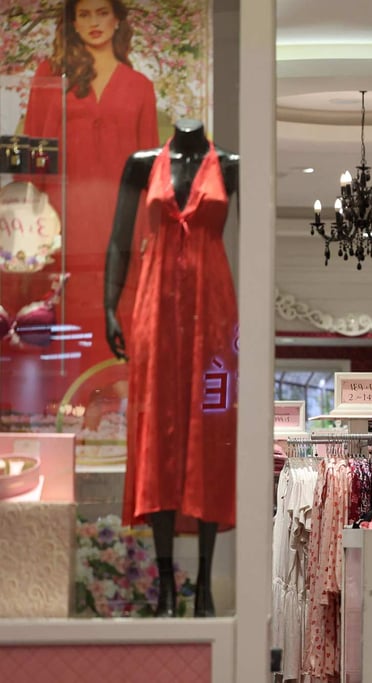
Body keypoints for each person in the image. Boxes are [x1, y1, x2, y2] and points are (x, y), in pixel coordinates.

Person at [105, 119, 239, 617]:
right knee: (157, 435)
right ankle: (165, 585)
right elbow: (118, 241)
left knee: (211, 433)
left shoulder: (233, 166)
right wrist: (109, 307)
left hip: (214, 309)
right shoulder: (141, 165)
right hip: (155, 309)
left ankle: (203, 586)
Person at [22, 0, 159, 378]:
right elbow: (35, 150)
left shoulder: (140, 87)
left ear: (117, 20)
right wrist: (29, 220)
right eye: (84, 14)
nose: (94, 22)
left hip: (121, 221)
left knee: (119, 307)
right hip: (63, 218)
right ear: (73, 22)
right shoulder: (51, 76)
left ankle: (116, 393)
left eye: (102, 12)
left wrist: (149, 229)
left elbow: (150, 169)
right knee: (63, 310)